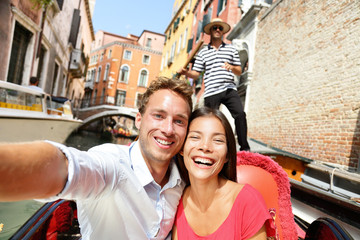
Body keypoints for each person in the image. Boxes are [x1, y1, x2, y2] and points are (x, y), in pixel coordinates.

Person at [0, 77, 193, 239]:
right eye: (159, 116)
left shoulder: (184, 181)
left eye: (179, 121)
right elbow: (64, 168)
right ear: (139, 120)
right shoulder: (112, 165)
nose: (168, 129)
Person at [172, 107, 275, 239]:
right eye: (195, 137)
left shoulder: (247, 201)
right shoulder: (175, 200)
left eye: (218, 140)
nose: (205, 147)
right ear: (181, 148)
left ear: (227, 155)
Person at [177, 18, 251, 151]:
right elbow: (196, 73)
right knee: (209, 121)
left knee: (240, 114)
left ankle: (244, 147)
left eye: (220, 28)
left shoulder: (231, 49)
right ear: (210, 31)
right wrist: (186, 73)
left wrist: (231, 67)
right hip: (211, 91)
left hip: (229, 89)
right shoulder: (203, 53)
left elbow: (239, 71)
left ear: (222, 32)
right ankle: (207, 146)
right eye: (215, 27)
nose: (217, 30)